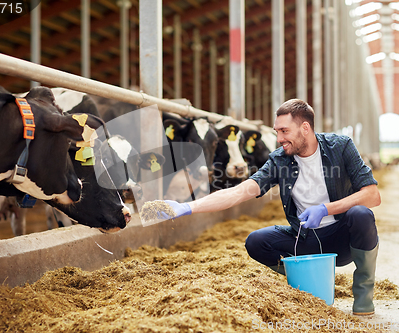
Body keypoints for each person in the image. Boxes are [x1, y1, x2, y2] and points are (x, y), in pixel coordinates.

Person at [153, 99, 381, 315]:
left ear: (305, 128)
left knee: (361, 214)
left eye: (284, 131)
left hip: (342, 238)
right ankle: (309, 278)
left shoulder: (340, 147)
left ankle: (363, 296)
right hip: (305, 238)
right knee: (256, 242)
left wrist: (326, 209)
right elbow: (239, 192)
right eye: (277, 131)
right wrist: (188, 206)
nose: (279, 138)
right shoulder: (279, 160)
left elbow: (372, 195)